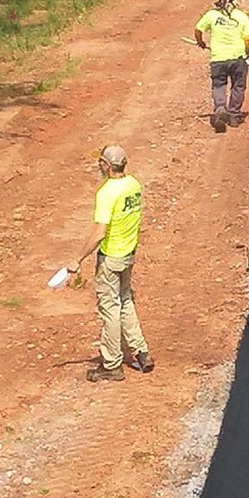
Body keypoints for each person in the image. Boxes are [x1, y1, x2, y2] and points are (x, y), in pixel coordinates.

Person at [70, 145, 153, 383]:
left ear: (107, 165)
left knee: (110, 309)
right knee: (125, 300)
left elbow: (99, 233)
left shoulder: (107, 192)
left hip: (111, 257)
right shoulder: (133, 185)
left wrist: (77, 259)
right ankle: (141, 351)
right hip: (128, 254)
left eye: (100, 162)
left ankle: (112, 364)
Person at [194, 0, 249, 133]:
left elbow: (198, 29)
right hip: (238, 58)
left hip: (218, 58)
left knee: (219, 85)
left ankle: (220, 107)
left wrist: (200, 42)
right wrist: (246, 54)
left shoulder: (212, 15)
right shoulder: (242, 16)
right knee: (238, 86)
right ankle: (233, 116)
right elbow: (248, 39)